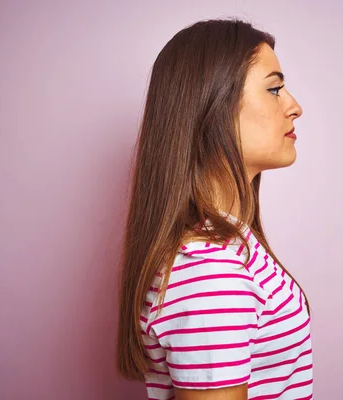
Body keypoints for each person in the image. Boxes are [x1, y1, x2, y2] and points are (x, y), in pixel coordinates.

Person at [116, 18, 313, 399]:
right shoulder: (211, 272)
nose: (295, 106)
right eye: (274, 89)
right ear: (214, 108)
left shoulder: (229, 246)